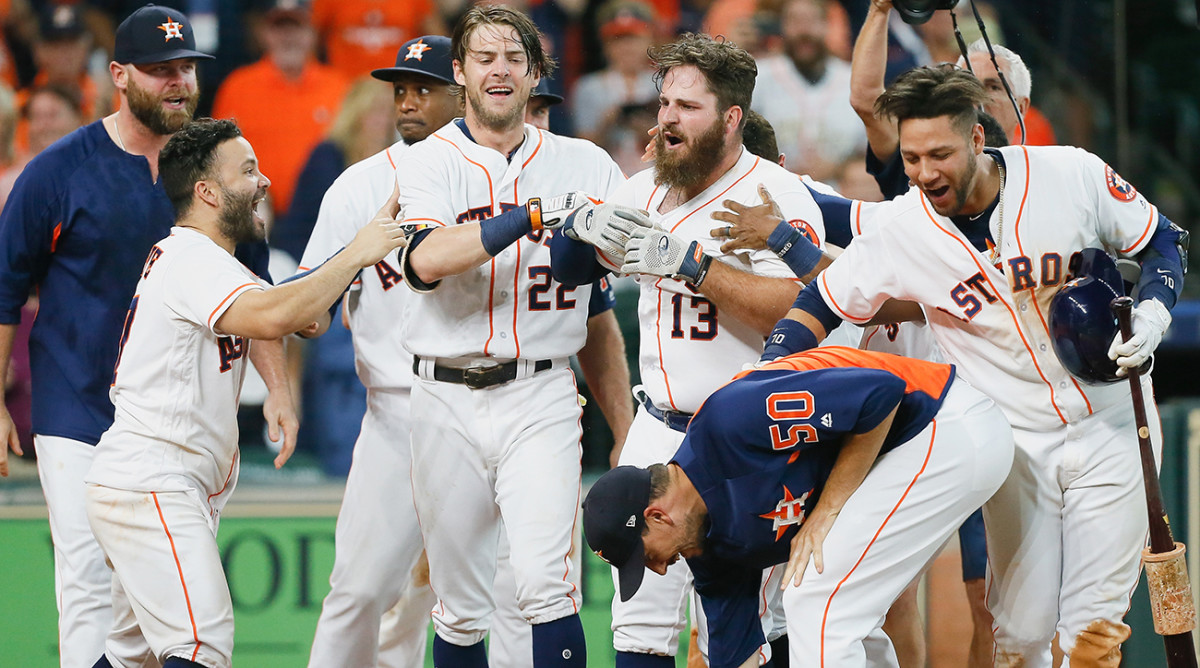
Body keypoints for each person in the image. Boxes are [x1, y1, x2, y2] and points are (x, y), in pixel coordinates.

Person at [753, 65, 1187, 666]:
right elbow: (821, 301)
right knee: (1021, 635)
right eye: (910, 159)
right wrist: (766, 371)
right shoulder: (903, 227)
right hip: (1014, 446)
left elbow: (1162, 240)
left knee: (1093, 629)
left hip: (1112, 421)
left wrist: (1155, 313)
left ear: (979, 139)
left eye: (940, 154)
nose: (925, 173)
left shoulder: (1070, 173)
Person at [553, 32, 859, 667]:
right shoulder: (648, 188)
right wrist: (578, 228)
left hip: (751, 442)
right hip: (659, 426)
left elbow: (811, 305)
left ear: (731, 117)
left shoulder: (774, 194)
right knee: (638, 619)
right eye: (665, 103)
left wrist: (695, 267)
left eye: (687, 107)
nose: (667, 118)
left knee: (758, 622)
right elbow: (570, 270)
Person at [0, 7, 292, 667]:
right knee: (88, 582)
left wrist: (277, 388)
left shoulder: (217, 176)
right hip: (77, 404)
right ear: (118, 74)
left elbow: (257, 289)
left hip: (176, 423)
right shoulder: (59, 170)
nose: (177, 81)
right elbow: (5, 285)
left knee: (145, 618)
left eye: (186, 67)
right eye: (160, 70)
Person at [85, 117, 407, 668]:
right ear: (207, 191)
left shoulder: (209, 259)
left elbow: (277, 315)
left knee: (130, 657)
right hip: (153, 480)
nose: (265, 182)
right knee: (200, 646)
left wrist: (279, 389)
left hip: (157, 480)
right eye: (249, 170)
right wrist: (357, 253)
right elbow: (278, 311)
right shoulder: (193, 258)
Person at [395, 7, 633, 664]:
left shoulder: (584, 161)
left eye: (514, 58)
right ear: (459, 72)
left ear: (535, 74)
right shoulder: (428, 162)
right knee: (460, 605)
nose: (499, 70)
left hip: (541, 390)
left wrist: (591, 247)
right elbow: (425, 261)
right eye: (485, 58)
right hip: (442, 392)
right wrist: (528, 217)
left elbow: (614, 273)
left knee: (544, 586)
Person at [583, 346, 1013, 667]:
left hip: (946, 423)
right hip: (908, 455)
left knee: (815, 599)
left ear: (657, 515)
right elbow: (739, 658)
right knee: (838, 608)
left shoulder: (728, 423)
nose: (659, 569)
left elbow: (882, 396)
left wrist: (826, 512)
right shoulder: (710, 551)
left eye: (646, 557)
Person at [211, 0, 348, 217]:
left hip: (324, 212)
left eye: (297, 28)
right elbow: (219, 155)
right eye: (279, 28)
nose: (288, 37)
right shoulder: (238, 87)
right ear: (264, 34)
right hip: (256, 211)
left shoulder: (339, 87)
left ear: (312, 33)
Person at [751, 0, 866, 182]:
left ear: (827, 25)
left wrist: (838, 168)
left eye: (812, 20)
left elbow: (873, 152)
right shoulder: (757, 76)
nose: (804, 31)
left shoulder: (854, 80)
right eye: (795, 21)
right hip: (772, 191)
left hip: (840, 196)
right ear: (782, 26)